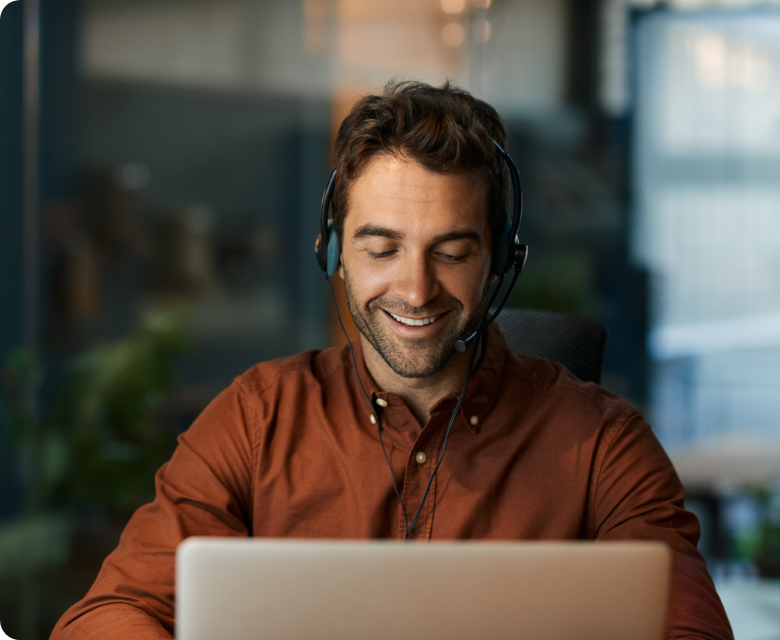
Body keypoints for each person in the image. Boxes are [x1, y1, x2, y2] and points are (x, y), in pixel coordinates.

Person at [51, 81, 733, 639]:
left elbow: (689, 630)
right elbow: (108, 616)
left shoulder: (602, 443)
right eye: (382, 249)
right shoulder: (258, 418)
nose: (415, 289)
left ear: (499, 260)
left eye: (453, 251)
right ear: (332, 251)